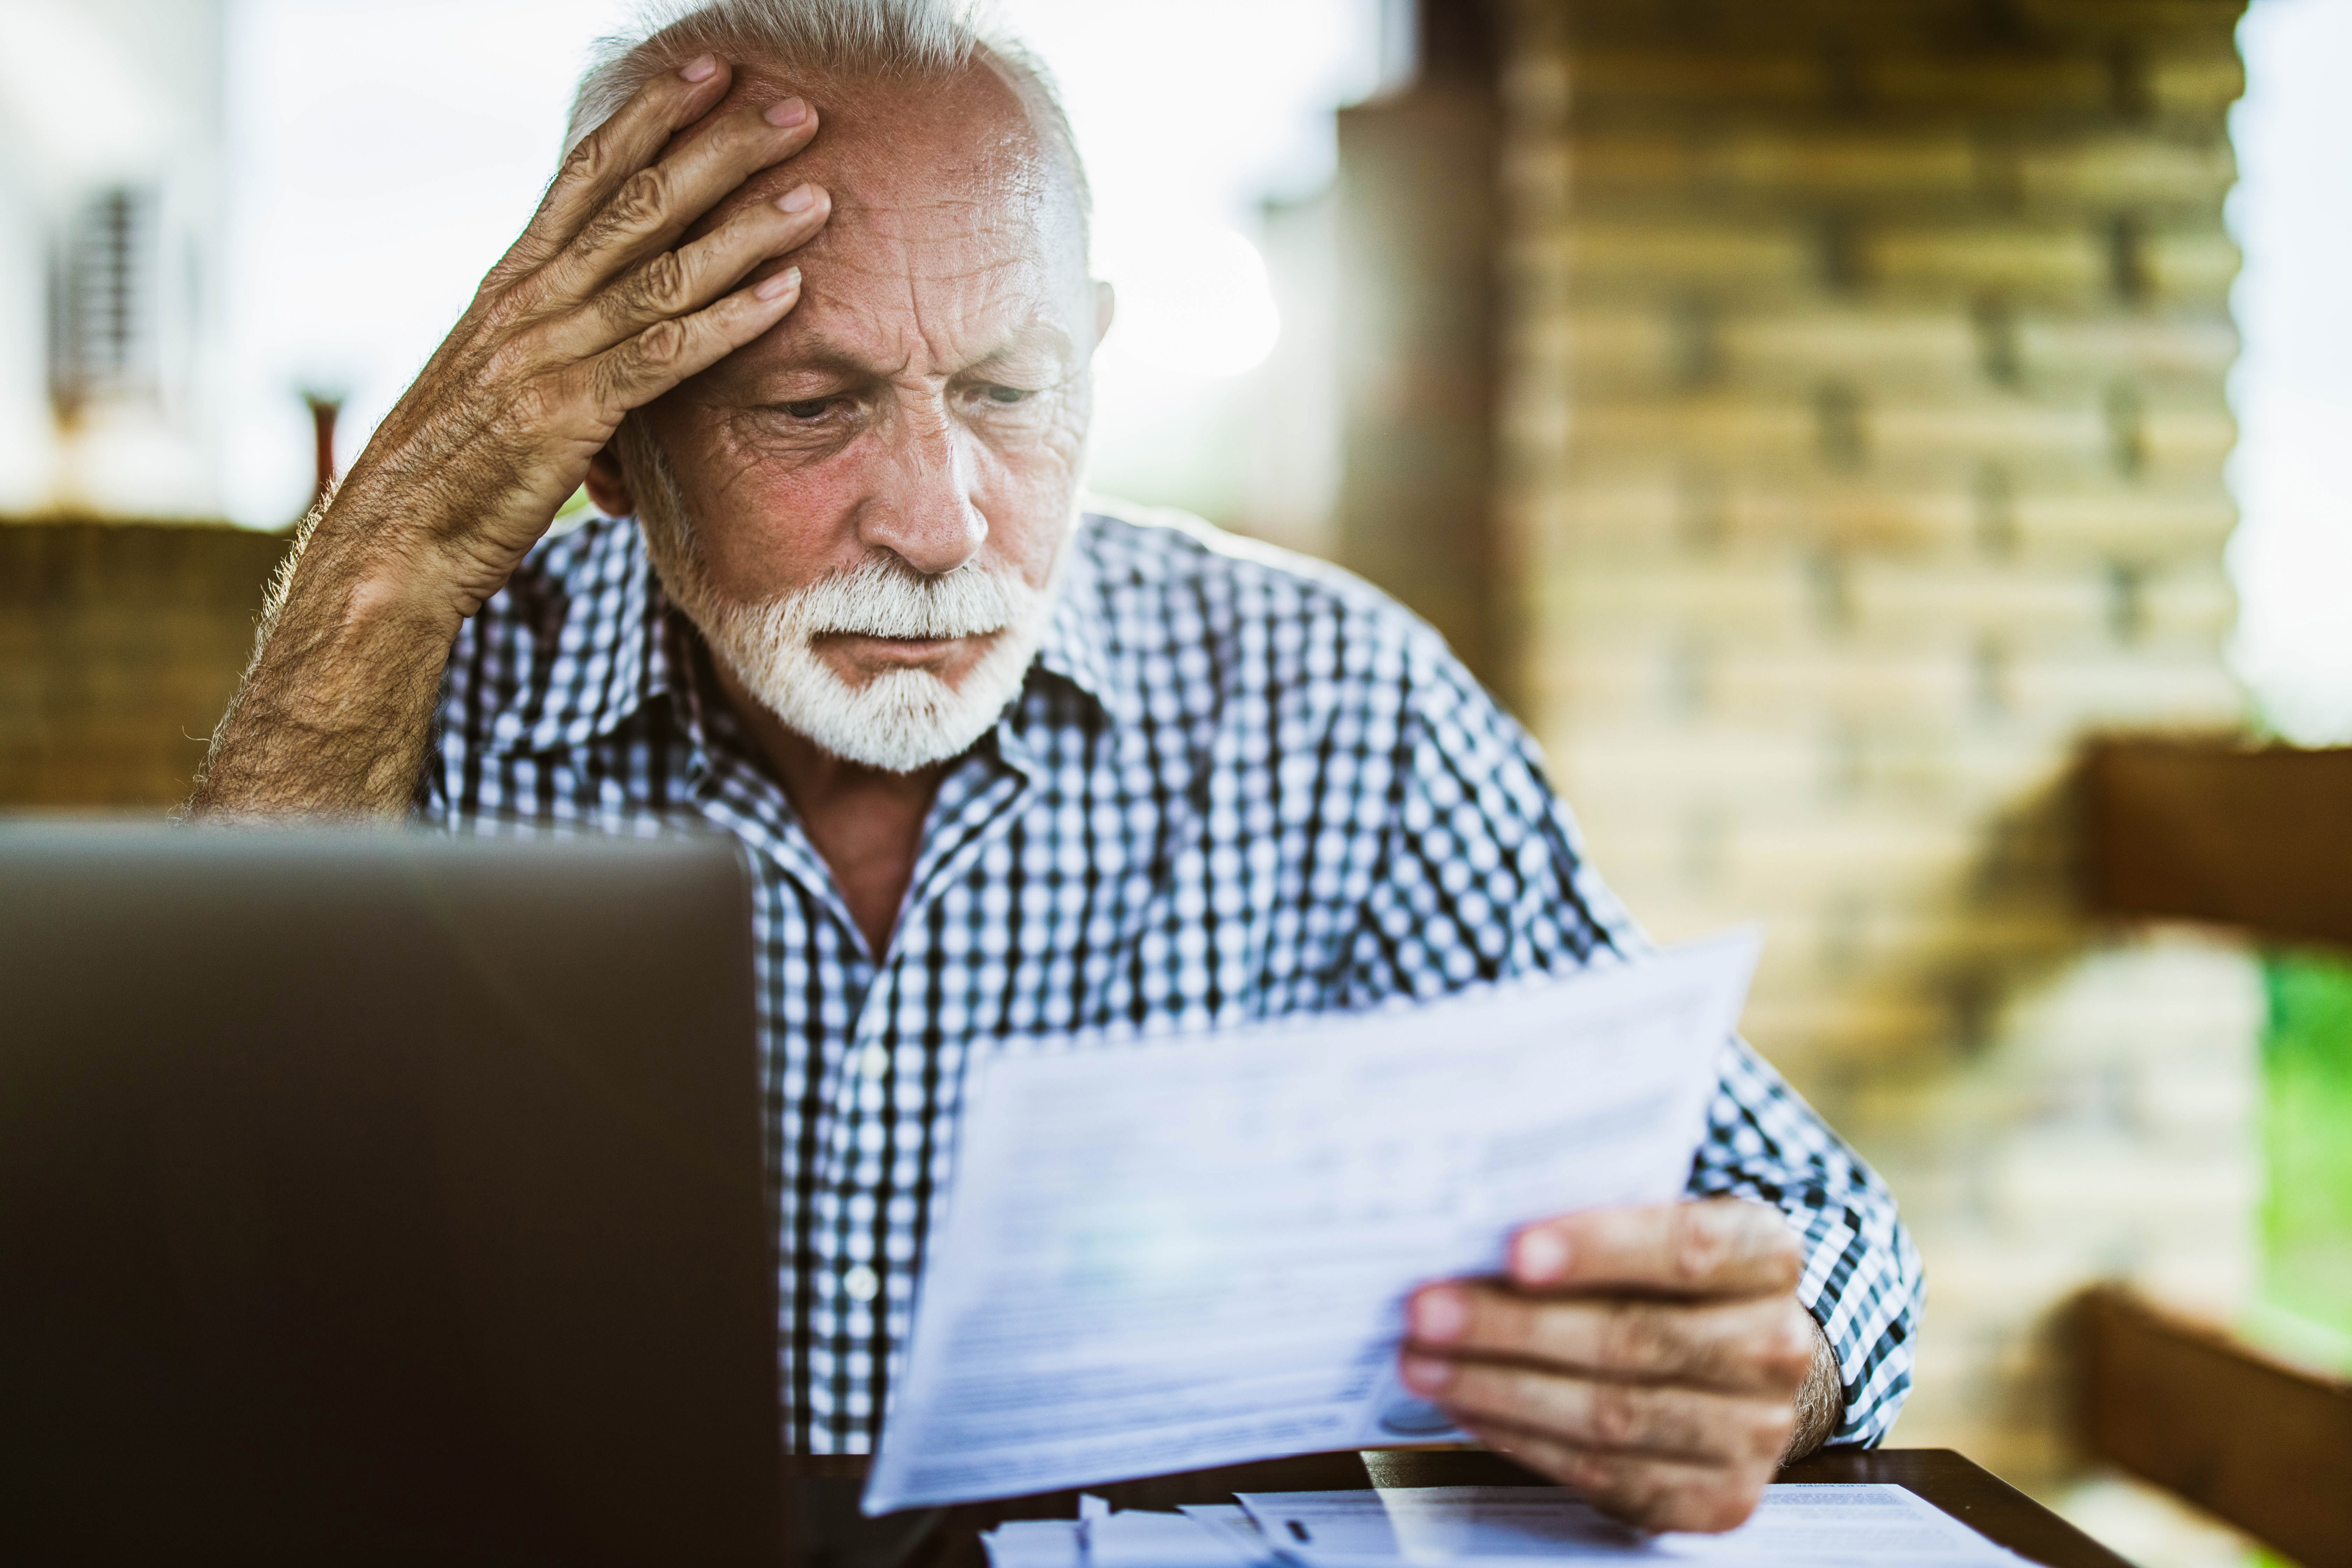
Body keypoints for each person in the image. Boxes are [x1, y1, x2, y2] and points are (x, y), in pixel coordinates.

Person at [190, 0, 1921, 1532]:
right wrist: (386, 558)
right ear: (619, 450)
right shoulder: (432, 683)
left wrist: (1764, 1363)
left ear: (1093, 346)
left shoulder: (1325, 698)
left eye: (1013, 390)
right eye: (812, 407)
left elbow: (1817, 1223)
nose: (944, 528)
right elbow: (188, 1219)